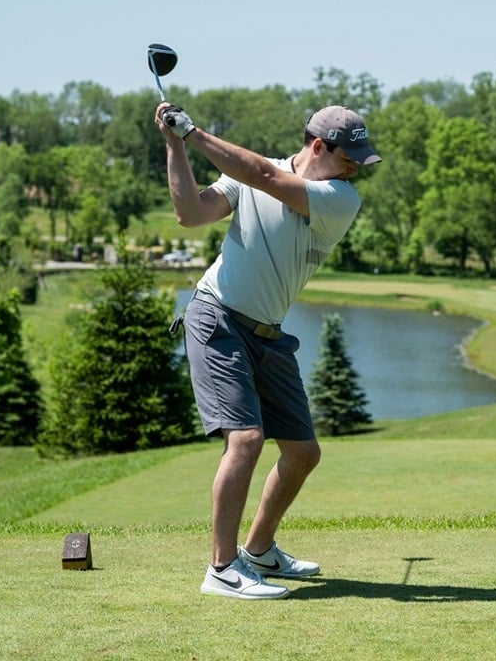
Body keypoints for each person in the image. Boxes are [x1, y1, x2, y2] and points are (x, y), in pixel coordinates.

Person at [155, 100, 382, 599]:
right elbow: (191, 213)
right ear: (319, 146)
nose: (357, 168)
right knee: (247, 440)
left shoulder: (338, 197)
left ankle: (257, 551)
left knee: (302, 452)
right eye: (351, 157)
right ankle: (221, 568)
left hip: (268, 333)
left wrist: (192, 131)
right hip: (217, 314)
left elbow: (262, 175)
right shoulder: (250, 176)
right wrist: (177, 145)